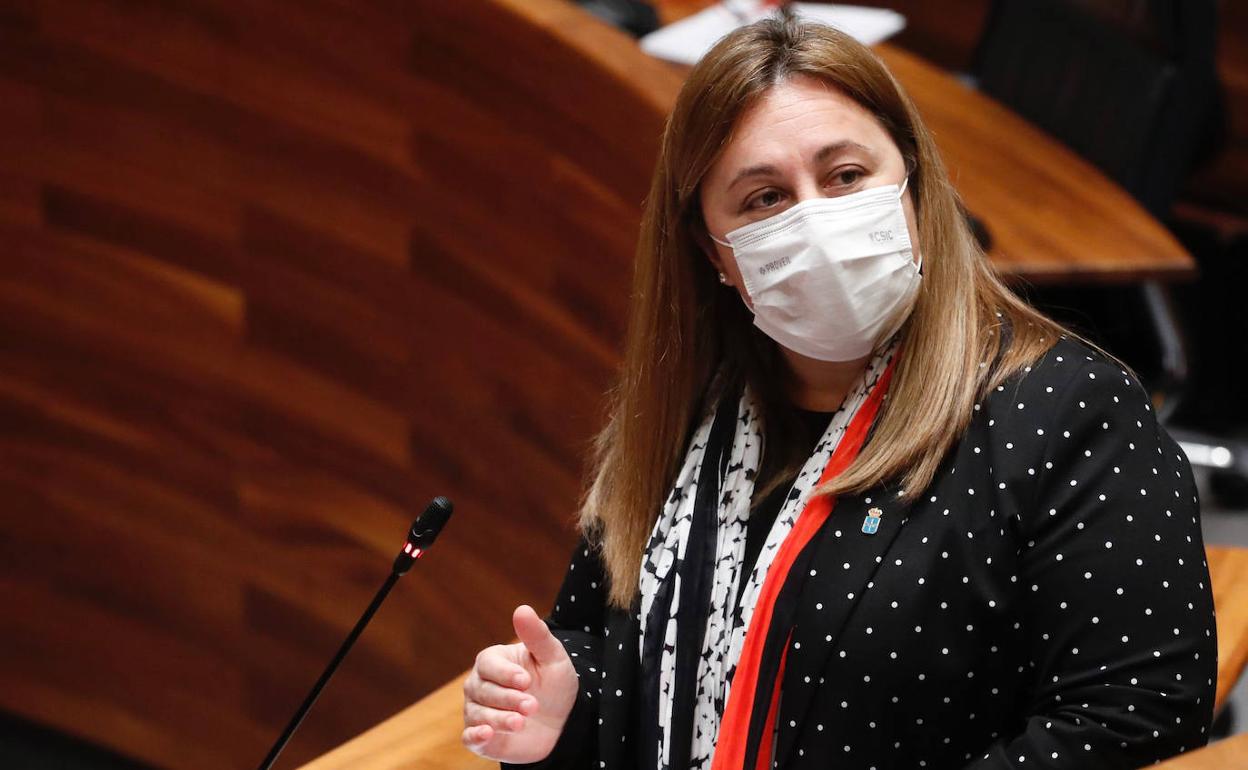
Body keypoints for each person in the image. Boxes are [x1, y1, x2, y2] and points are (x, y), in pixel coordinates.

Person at [462, 11, 1217, 770]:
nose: (816, 219)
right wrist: (562, 712)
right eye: (764, 199)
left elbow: (1134, 718)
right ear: (713, 252)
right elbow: (612, 649)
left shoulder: (1068, 411)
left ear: (916, 188)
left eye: (845, 176)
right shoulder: (689, 411)